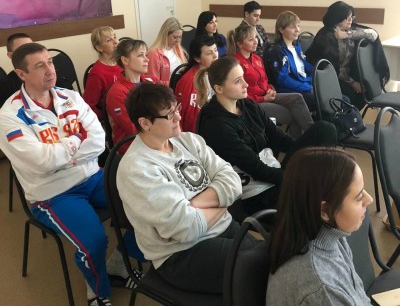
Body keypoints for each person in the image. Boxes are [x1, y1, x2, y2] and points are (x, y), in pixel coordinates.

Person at [0, 43, 140, 306]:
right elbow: (42, 162)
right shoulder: (10, 115)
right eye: (39, 66)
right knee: (94, 241)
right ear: (21, 74)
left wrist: (63, 154)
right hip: (53, 193)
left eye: (50, 62)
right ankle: (97, 292)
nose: (50, 70)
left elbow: (98, 141)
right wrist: (76, 140)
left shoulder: (70, 97)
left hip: (92, 176)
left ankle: (118, 264)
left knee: (145, 205)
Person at [117, 83, 260, 293]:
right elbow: (186, 228)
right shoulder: (137, 168)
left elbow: (233, 182)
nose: (178, 117)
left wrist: (193, 206)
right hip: (181, 253)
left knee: (274, 258)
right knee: (260, 267)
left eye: (177, 108)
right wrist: (223, 202)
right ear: (145, 123)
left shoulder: (188, 141)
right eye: (169, 115)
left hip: (221, 226)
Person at [195, 57, 337, 216]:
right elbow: (257, 169)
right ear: (219, 89)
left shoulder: (247, 105)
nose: (246, 84)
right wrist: (301, 178)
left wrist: (306, 155)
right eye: (237, 81)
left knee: (324, 130)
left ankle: (323, 181)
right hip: (257, 192)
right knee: (316, 196)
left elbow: (279, 138)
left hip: (273, 171)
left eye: (243, 77)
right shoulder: (216, 125)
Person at [266, 147, 373, 305]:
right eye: (358, 197)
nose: (369, 199)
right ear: (324, 210)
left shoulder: (332, 236)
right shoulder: (321, 289)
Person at [227, 24, 314, 139]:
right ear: (239, 43)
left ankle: (311, 134)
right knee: (295, 114)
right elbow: (240, 94)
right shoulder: (235, 63)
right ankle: (306, 140)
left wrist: (269, 90)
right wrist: (263, 99)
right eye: (250, 39)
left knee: (297, 98)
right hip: (253, 103)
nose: (256, 42)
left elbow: (264, 80)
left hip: (267, 95)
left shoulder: (257, 59)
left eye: (256, 37)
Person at [305, 1, 384, 110]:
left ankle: (350, 118)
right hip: (329, 78)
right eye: (347, 18)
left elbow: (373, 34)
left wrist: (347, 34)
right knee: (351, 97)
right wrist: (353, 83)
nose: (350, 20)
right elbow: (332, 69)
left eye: (351, 17)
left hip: (345, 75)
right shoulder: (327, 36)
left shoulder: (348, 30)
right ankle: (343, 118)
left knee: (367, 91)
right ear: (337, 18)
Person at [106, 38, 159, 154]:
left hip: (157, 139)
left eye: (146, 54)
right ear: (125, 60)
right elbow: (134, 129)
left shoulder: (152, 81)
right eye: (140, 55)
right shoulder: (116, 93)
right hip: (132, 149)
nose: (147, 59)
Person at [266, 11, 315, 111]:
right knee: (320, 101)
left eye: (298, 26)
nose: (297, 30)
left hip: (304, 84)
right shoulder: (277, 51)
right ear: (281, 29)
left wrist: (318, 78)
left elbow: (306, 67)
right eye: (293, 27)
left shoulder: (297, 47)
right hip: (290, 90)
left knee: (337, 97)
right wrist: (307, 86)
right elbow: (283, 79)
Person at [175, 35, 218, 132]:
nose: (215, 56)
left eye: (215, 50)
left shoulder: (215, 71)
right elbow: (190, 120)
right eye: (209, 53)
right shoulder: (190, 81)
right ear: (197, 58)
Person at [83, 26, 121, 120]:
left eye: (115, 37)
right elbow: (88, 105)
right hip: (112, 117)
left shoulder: (122, 62)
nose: (115, 42)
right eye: (109, 40)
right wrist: (106, 117)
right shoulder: (97, 73)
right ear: (99, 48)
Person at [147, 17, 187, 84]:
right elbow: (153, 82)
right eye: (175, 37)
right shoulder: (154, 54)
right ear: (165, 35)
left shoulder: (178, 49)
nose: (177, 41)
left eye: (180, 37)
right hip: (166, 89)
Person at [0, 33, 32, 107]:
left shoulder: (45, 74)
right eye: (23, 50)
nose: (30, 53)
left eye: (32, 48)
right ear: (10, 55)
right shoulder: (6, 87)